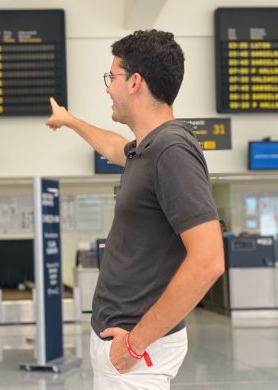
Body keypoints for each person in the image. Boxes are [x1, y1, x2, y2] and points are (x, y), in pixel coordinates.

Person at [46, 30, 224, 389]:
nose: (108, 87)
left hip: (137, 350)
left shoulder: (170, 150)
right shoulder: (147, 148)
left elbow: (209, 260)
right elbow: (114, 147)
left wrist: (135, 343)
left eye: (112, 77)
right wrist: (70, 121)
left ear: (135, 82)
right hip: (126, 343)